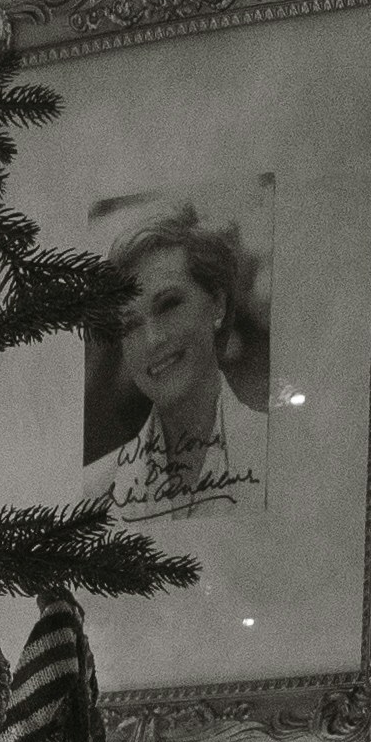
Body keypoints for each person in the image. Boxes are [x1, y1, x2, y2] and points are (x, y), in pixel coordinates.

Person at [78, 200, 271, 516]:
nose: (153, 339)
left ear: (218, 305)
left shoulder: (278, 456)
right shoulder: (92, 494)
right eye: (131, 324)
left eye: (168, 305)